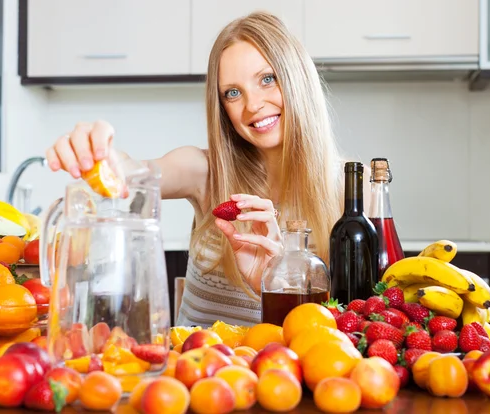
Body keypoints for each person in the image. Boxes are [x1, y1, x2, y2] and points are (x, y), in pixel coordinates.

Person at [46, 11, 366, 327]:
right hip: (194, 373)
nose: (252, 105)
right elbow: (135, 174)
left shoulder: (351, 188)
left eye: (267, 79)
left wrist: (279, 283)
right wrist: (104, 157)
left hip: (280, 376)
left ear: (297, 79)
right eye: (233, 93)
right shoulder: (204, 171)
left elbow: (349, 330)